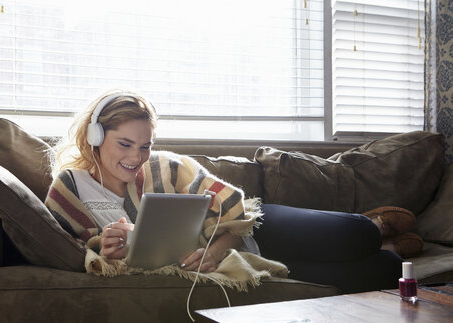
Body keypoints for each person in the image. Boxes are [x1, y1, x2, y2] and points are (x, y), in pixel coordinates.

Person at [45, 90, 422, 291]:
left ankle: (377, 225)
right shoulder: (70, 188)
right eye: (124, 144)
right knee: (382, 271)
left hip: (253, 232)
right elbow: (70, 248)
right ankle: (388, 247)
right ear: (95, 138)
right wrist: (101, 248)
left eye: (144, 146)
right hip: (234, 268)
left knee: (355, 234)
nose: (136, 157)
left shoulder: (164, 166)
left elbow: (233, 205)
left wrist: (213, 249)